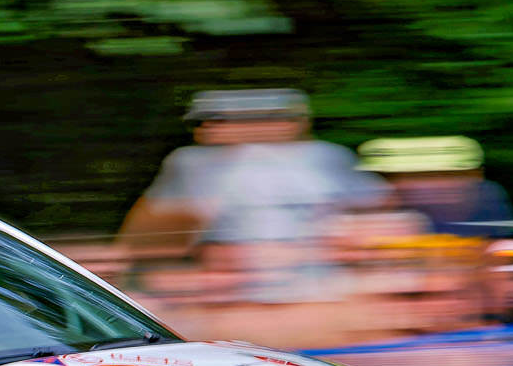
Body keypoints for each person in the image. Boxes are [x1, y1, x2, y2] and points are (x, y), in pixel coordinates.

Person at [116, 88, 387, 302]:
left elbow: (375, 210)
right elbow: (152, 232)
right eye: (208, 122)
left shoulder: (326, 156)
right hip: (232, 286)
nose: (208, 128)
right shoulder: (190, 163)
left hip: (316, 281)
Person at [357, 135, 513, 237]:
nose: (429, 186)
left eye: (444, 175)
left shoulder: (488, 199)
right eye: (415, 176)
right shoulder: (383, 211)